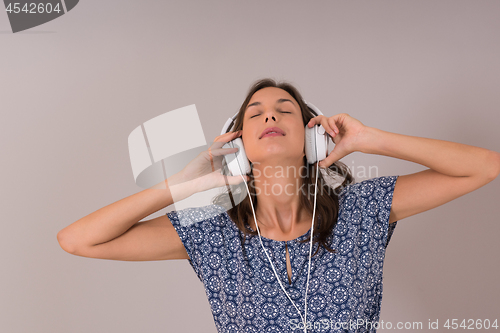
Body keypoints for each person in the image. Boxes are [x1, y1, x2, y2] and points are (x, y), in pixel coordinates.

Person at [57, 78, 500, 333]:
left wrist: (371, 139)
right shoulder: (212, 234)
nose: (270, 116)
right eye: (256, 113)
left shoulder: (362, 210)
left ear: (312, 136)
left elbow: (483, 167)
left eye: (284, 110)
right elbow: (77, 240)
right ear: (238, 146)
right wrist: (180, 185)